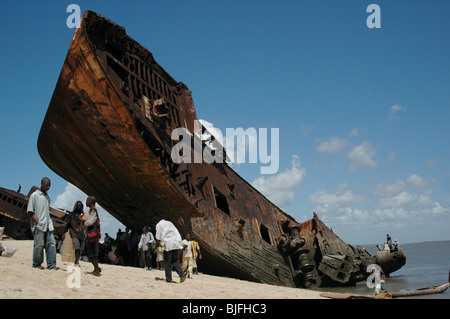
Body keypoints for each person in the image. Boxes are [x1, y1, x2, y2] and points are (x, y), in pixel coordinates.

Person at [27, 177, 59, 270]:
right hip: (40, 224)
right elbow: (30, 211)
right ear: (42, 183)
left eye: (49, 186)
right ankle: (37, 263)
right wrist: (37, 222)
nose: (48, 187)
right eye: (47, 185)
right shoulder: (35, 195)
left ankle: (51, 264)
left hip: (48, 224)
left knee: (51, 243)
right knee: (39, 245)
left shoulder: (47, 197)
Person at [152, 217, 186, 283]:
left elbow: (158, 238)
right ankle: (182, 274)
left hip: (168, 243)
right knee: (175, 260)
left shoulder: (159, 225)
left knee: (167, 261)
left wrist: (157, 248)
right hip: (176, 242)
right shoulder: (169, 222)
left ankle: (168, 279)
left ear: (155, 223)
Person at [62, 200, 85, 267]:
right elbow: (67, 224)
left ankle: (76, 261)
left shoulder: (83, 216)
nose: (79, 207)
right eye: (78, 205)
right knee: (77, 246)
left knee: (80, 249)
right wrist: (64, 233)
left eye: (80, 206)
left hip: (81, 234)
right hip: (74, 233)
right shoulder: (71, 215)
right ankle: (76, 262)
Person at [84, 196, 101, 276]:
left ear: (91, 201)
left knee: (91, 254)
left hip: (92, 235)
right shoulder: (93, 210)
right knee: (93, 253)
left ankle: (97, 270)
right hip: (94, 234)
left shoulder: (93, 210)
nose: (86, 202)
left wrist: (84, 221)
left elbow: (91, 221)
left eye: (87, 200)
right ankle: (96, 269)